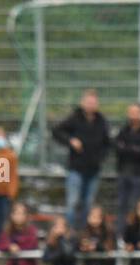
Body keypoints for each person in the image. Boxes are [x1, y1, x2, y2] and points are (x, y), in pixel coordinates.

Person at [52, 89, 111, 230]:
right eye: (88, 102)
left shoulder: (102, 121)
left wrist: (100, 157)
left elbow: (108, 143)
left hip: (93, 170)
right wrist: (71, 140)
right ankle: (70, 234)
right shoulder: (74, 118)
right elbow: (57, 131)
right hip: (76, 169)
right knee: (73, 203)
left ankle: (84, 234)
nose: (91, 105)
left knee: (88, 204)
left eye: (93, 102)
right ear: (82, 103)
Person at [115, 103, 140, 238]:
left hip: (139, 175)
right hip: (123, 173)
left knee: (136, 207)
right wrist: (134, 149)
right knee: (121, 207)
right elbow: (117, 148)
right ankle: (121, 237)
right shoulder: (123, 131)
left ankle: (134, 237)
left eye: (136, 112)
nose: (133, 115)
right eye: (130, 112)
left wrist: (127, 148)